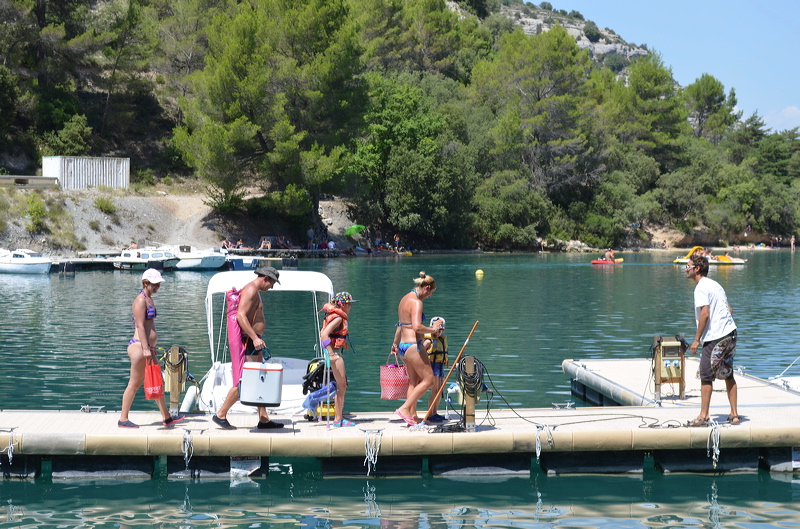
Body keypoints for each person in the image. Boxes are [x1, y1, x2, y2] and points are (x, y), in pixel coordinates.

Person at [212, 266, 284, 430]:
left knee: (259, 378)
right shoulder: (251, 290)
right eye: (272, 283)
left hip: (254, 340)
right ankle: (220, 414)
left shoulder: (255, 290)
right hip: (249, 341)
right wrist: (254, 337)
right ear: (265, 278)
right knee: (245, 381)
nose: (271, 287)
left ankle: (264, 419)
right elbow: (240, 315)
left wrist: (256, 338)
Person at [118, 269, 184, 428]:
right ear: (145, 283)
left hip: (147, 348)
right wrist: (146, 348)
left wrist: (149, 348)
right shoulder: (140, 300)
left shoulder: (149, 299)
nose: (157, 287)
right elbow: (140, 326)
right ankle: (123, 419)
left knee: (157, 381)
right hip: (140, 347)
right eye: (154, 284)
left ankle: (167, 417)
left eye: (158, 284)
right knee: (134, 383)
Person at [685, 254, 740, 427]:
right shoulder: (716, 285)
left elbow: (705, 313)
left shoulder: (701, 287)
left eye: (688, 266)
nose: (686, 269)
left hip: (716, 337)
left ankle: (704, 416)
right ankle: (734, 415)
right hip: (731, 334)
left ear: (697, 269)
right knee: (727, 372)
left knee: (706, 375)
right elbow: (729, 309)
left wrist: (696, 340)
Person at [391, 272, 443, 426]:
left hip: (403, 346)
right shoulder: (416, 302)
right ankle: (405, 408)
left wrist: (395, 344)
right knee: (429, 381)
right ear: (426, 288)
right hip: (414, 346)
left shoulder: (404, 299)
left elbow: (400, 325)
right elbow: (416, 326)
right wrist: (433, 329)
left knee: (413, 383)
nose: (430, 296)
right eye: (431, 293)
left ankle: (412, 417)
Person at [319, 292, 359, 427]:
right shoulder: (338, 318)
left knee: (341, 385)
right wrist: (331, 353)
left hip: (334, 354)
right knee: (342, 385)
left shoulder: (334, 315)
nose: (351, 307)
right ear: (342, 305)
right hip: (334, 355)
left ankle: (338, 417)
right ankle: (338, 419)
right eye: (349, 304)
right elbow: (323, 334)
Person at [422, 316, 448, 423]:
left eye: (441, 330)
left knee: (440, 390)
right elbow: (420, 352)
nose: (439, 332)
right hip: (432, 366)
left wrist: (446, 360)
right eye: (437, 330)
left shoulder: (441, 339)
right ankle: (430, 414)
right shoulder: (429, 341)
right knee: (435, 390)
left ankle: (435, 412)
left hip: (440, 365)